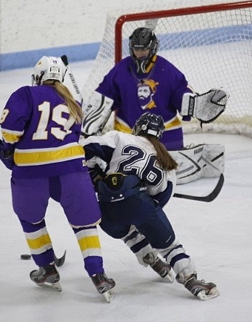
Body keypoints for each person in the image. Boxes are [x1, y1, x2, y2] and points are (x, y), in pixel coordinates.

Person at [0, 55, 115, 302]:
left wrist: (8, 150)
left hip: (31, 172)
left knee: (31, 219)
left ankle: (47, 269)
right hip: (71, 170)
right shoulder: (74, 102)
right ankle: (98, 274)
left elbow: (10, 131)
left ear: (38, 76)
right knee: (84, 223)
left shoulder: (26, 94)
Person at [80, 112, 220, 301]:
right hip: (140, 205)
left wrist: (96, 173)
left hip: (106, 211)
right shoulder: (166, 161)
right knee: (169, 246)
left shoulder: (120, 137)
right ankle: (190, 278)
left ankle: (151, 259)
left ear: (137, 128)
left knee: (128, 232)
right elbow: (160, 200)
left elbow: (87, 147)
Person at [81, 26, 228, 184]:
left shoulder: (166, 69)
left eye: (144, 50)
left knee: (167, 164)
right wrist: (88, 128)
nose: (140, 54)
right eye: (137, 50)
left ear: (153, 48)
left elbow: (180, 90)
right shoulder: (121, 70)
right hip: (129, 133)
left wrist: (193, 104)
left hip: (166, 132)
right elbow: (103, 96)